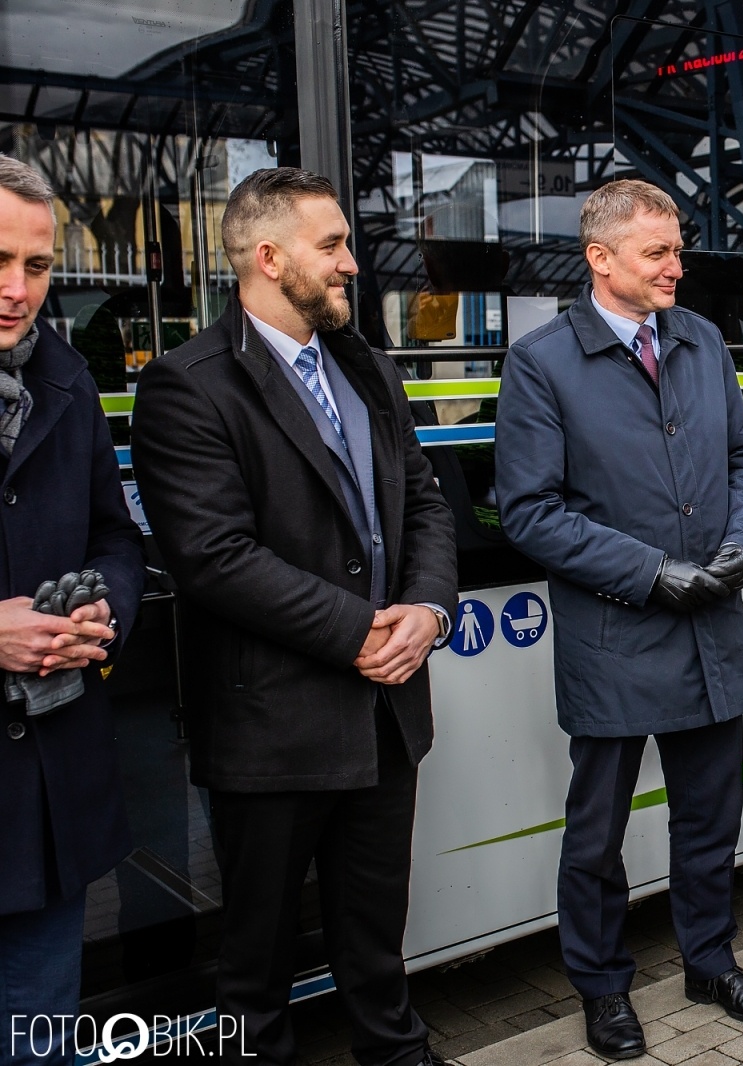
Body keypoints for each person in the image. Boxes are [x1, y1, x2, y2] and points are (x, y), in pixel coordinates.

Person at [130, 168, 458, 1066]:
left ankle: (398, 1054)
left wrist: (427, 608)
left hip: (385, 718)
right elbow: (214, 559)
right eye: (334, 246)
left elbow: (425, 503)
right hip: (272, 731)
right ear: (270, 259)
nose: (352, 263)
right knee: (257, 966)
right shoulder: (187, 387)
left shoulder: (365, 365)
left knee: (376, 941)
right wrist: (365, 631)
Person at [494, 179, 743, 1061]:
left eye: (676, 248)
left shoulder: (700, 341)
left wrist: (742, 545)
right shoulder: (541, 363)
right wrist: (656, 574)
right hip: (617, 638)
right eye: (657, 252)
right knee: (596, 837)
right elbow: (531, 513)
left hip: (708, 632)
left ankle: (708, 960)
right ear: (601, 259)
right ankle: (603, 988)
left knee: (710, 820)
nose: (676, 267)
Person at [0, 155, 144, 1066]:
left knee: (39, 1037)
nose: (16, 290)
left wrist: (104, 613)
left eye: (38, 266)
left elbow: (115, 536)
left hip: (46, 793)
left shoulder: (67, 377)